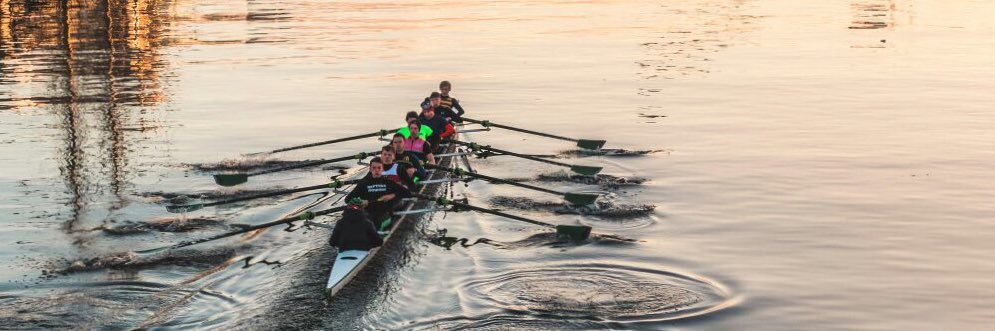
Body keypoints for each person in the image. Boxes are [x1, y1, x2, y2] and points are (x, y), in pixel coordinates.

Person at [345, 156, 412, 231]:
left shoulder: (388, 182)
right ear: (370, 169)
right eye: (374, 168)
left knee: (375, 225)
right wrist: (360, 202)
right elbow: (347, 199)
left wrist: (392, 195)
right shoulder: (363, 183)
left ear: (382, 169)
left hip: (384, 214)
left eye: (379, 168)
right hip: (368, 214)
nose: (376, 170)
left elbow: (407, 193)